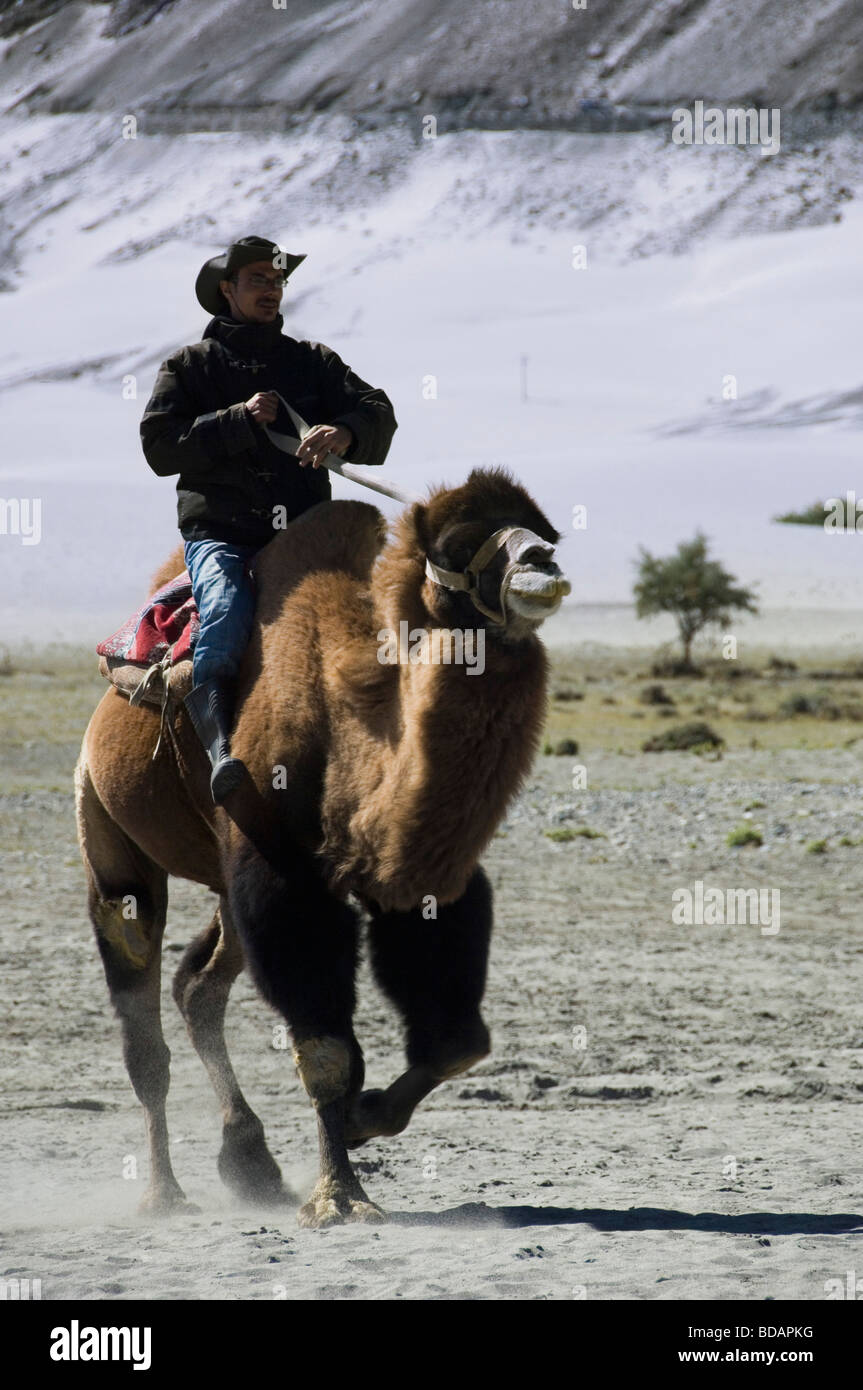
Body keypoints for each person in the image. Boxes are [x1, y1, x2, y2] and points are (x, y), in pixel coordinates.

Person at [140, 235, 397, 803]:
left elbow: (379, 410)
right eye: (259, 278)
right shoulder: (189, 367)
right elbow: (159, 448)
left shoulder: (313, 363)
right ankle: (220, 751)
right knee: (227, 611)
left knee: (378, 624)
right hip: (223, 534)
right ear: (227, 290)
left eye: (279, 279)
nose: (272, 288)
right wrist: (237, 419)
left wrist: (346, 431)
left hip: (306, 539)